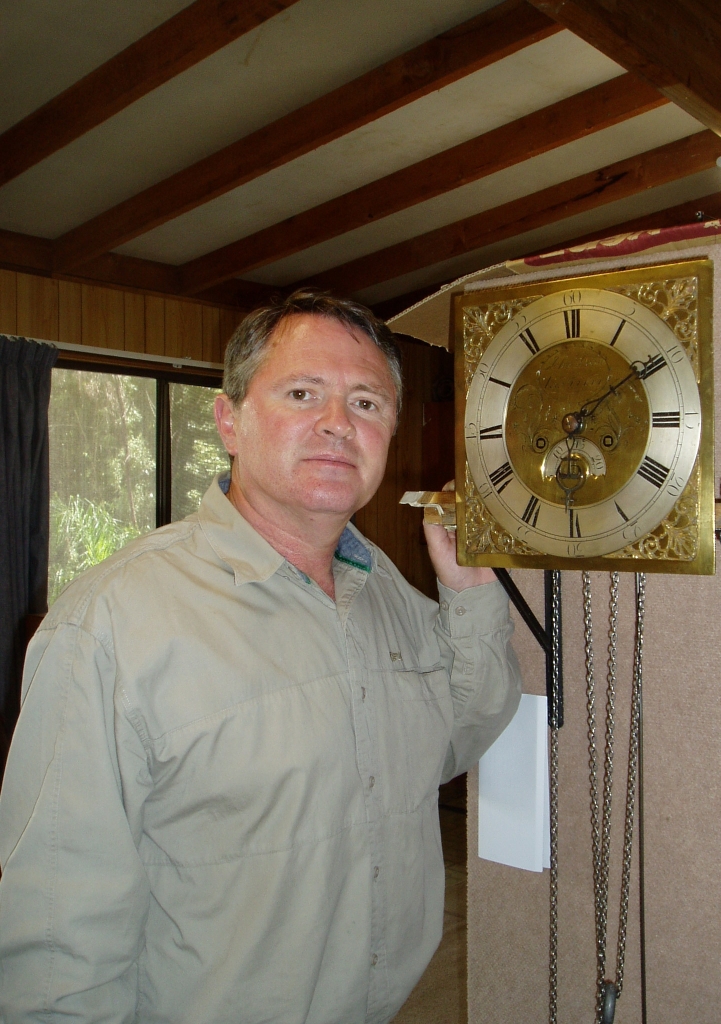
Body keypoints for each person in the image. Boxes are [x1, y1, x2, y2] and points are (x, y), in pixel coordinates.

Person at [0, 289, 521, 1024]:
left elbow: (457, 733)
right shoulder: (111, 623)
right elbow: (58, 934)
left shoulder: (386, 593)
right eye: (303, 393)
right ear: (230, 421)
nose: (338, 424)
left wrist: (468, 591)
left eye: (367, 403)